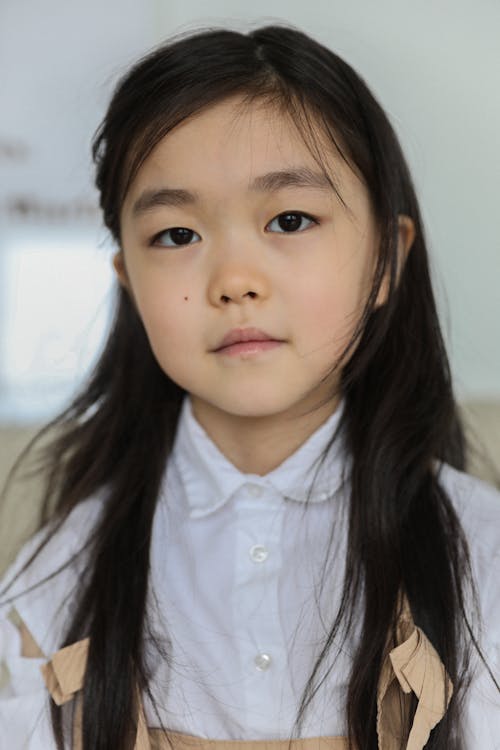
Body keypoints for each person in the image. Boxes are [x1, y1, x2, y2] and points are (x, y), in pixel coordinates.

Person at [0, 23, 498, 750]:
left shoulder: (482, 555)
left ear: (387, 259)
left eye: (289, 219)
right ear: (128, 285)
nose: (235, 281)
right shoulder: (56, 576)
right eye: (176, 235)